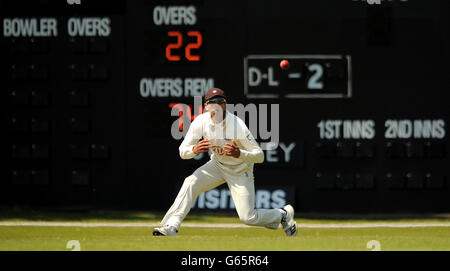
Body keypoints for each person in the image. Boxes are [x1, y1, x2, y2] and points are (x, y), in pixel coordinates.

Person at [153, 88, 297, 236]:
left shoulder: (237, 125)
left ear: (225, 105)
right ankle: (171, 226)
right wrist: (194, 150)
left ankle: (283, 214)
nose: (217, 105)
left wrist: (239, 153)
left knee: (248, 217)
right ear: (206, 106)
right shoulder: (200, 122)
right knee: (190, 182)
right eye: (213, 102)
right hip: (217, 165)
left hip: (240, 169)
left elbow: (259, 156)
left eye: (221, 102)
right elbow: (183, 151)